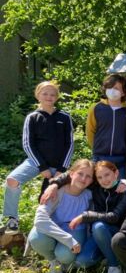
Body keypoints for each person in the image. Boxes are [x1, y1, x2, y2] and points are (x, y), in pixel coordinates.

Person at [42, 161, 126, 273]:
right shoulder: (95, 187)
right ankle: (104, 257)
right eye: (100, 177)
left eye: (107, 175)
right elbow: (73, 174)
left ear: (116, 173)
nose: (104, 180)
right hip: (97, 235)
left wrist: (85, 216)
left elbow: (115, 217)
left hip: (118, 232)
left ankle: (114, 267)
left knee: (98, 226)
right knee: (81, 262)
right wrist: (54, 184)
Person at [2, 81, 74, 235]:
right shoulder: (32, 117)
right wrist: (42, 167)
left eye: (53, 94)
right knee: (11, 180)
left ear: (57, 97)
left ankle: (50, 227)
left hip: (58, 165)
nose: (49, 96)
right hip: (36, 162)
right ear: (38, 96)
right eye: (45, 93)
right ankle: (12, 219)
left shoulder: (64, 117)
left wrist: (61, 169)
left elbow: (70, 144)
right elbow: (28, 144)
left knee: (49, 196)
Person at [26, 159, 94, 273]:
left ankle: (64, 262)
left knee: (64, 255)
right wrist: (69, 240)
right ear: (71, 174)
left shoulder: (89, 195)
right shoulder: (56, 191)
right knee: (36, 239)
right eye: (80, 174)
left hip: (76, 229)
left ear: (92, 181)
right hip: (54, 227)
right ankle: (54, 262)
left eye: (88, 176)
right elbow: (40, 220)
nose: (83, 179)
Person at [86, 74, 126, 178]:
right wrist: (97, 148)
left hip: (120, 159)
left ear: (123, 92)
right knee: (99, 190)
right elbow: (90, 131)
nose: (112, 90)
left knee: (119, 190)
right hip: (100, 157)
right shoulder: (96, 108)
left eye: (117, 88)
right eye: (109, 87)